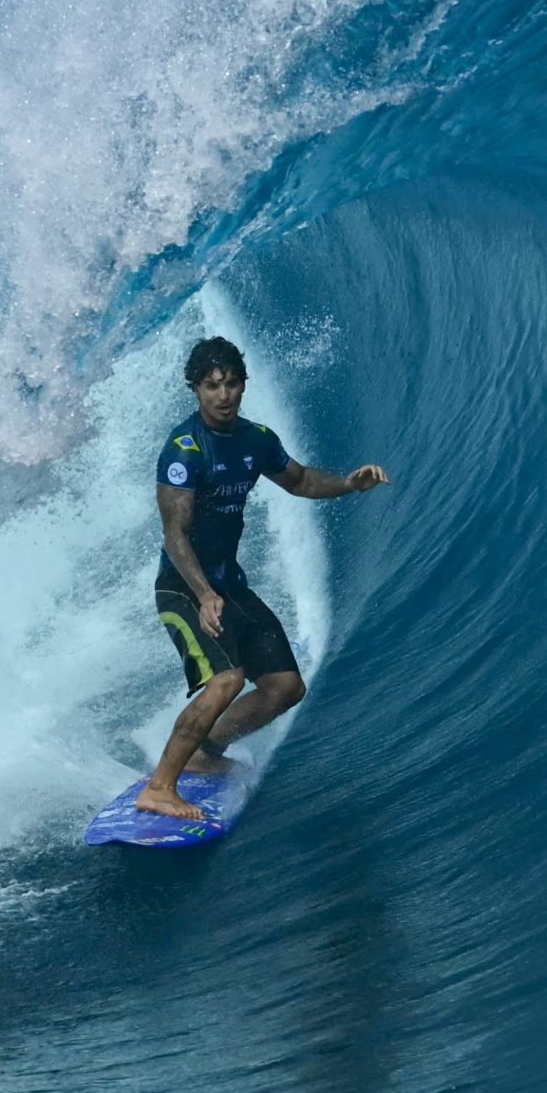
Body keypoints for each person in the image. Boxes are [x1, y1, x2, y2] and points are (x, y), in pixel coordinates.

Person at [137, 336, 390, 822]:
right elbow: (176, 534)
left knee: (285, 687)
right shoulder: (185, 450)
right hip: (185, 588)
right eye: (212, 386)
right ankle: (159, 788)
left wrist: (348, 484)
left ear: (243, 385)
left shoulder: (255, 439)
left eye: (232, 383)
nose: (224, 394)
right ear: (195, 389)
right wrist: (205, 596)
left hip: (229, 585)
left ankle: (205, 751)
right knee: (226, 680)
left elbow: (299, 481)